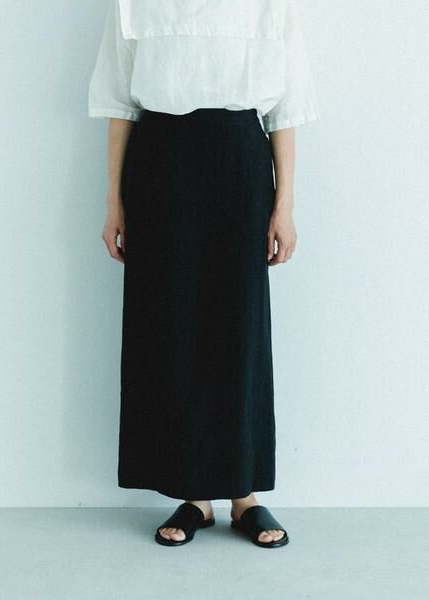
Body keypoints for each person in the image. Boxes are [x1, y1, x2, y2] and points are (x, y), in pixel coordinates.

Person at [88, 0, 319, 548]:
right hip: (160, 163)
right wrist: (114, 201)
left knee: (239, 325)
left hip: (238, 160)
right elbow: (120, 103)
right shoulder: (134, 3)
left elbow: (285, 111)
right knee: (172, 326)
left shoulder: (269, 5)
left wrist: (285, 205)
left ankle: (245, 495)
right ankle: (193, 494)